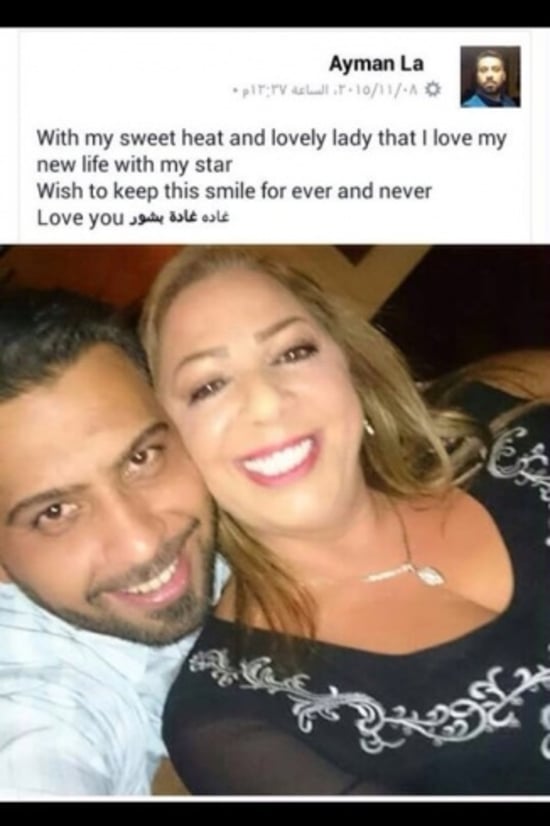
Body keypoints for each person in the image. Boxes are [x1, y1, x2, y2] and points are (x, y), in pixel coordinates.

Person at [141, 246, 550, 796]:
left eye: (293, 352)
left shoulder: (508, 413)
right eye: (207, 386)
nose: (266, 403)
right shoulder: (232, 717)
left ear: (348, 365)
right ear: (167, 445)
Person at [0, 287, 216, 798]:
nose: (141, 544)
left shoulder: (234, 491)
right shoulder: (38, 711)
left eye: (141, 459)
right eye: (54, 513)